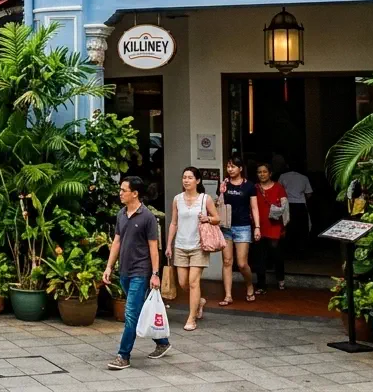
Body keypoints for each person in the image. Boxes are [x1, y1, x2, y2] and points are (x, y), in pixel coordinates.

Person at [103, 176, 170, 371]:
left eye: (123, 190)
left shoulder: (147, 217)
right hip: (124, 270)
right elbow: (117, 241)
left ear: (135, 193)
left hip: (140, 272)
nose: (120, 193)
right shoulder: (121, 214)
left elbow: (153, 248)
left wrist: (155, 274)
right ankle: (162, 342)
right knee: (139, 310)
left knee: (131, 313)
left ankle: (123, 356)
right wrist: (109, 266)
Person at [165, 166, 219, 332]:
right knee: (183, 283)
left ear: (197, 180)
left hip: (198, 246)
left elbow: (217, 218)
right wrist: (169, 244)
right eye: (184, 177)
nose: (186, 180)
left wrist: (207, 218)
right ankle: (199, 301)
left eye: (190, 177)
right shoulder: (177, 199)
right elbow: (174, 223)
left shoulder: (205, 199)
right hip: (181, 245)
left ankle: (191, 318)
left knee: (193, 282)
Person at [218, 157, 260, 305]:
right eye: (228, 166)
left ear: (241, 168)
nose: (230, 169)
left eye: (233, 166)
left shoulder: (249, 186)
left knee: (242, 263)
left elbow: (254, 207)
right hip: (226, 226)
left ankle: (249, 285)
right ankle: (228, 295)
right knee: (227, 261)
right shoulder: (224, 183)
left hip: (243, 226)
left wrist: (257, 227)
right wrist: (221, 192)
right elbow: (219, 204)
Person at [254, 162, 287, 293]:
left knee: (276, 254)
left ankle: (280, 278)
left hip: (275, 226)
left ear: (270, 173)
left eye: (265, 172)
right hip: (258, 226)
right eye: (259, 172)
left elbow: (285, 208)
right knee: (259, 256)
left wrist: (284, 226)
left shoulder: (279, 187)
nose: (262, 174)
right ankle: (261, 284)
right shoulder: (254, 188)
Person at [278, 163, 314, 258]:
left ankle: (288, 251)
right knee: (301, 228)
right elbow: (309, 193)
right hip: (300, 205)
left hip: (287, 204)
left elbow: (278, 190)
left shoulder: (283, 176)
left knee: (288, 227)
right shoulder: (304, 177)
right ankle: (301, 251)